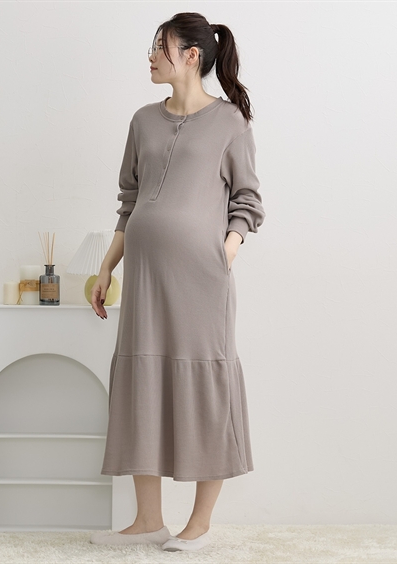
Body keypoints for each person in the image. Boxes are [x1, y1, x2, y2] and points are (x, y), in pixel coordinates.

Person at [89, 12, 265, 553]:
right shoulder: (143, 121)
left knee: (205, 385)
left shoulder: (231, 122)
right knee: (142, 383)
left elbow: (247, 200)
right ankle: (148, 520)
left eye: (159, 46)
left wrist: (225, 252)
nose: (150, 56)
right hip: (145, 279)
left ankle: (200, 523)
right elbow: (129, 201)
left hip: (201, 282)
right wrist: (106, 267)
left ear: (191, 55)